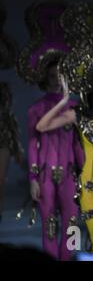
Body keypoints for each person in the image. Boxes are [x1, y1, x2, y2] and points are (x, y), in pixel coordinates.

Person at [35, 0, 93, 261]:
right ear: (91, 88)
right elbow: (41, 126)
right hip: (88, 186)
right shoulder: (78, 114)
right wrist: (65, 100)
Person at [16, 1, 84, 260]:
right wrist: (33, 179)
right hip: (45, 174)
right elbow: (33, 142)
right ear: (46, 77)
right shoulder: (37, 108)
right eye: (54, 75)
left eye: (61, 75)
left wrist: (82, 172)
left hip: (69, 174)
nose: (57, 79)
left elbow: (78, 143)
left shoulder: (76, 106)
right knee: (50, 226)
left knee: (70, 226)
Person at [0, 82, 23, 224]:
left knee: (0, 181)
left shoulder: (7, 114)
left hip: (3, 143)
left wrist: (18, 150)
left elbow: (14, 130)